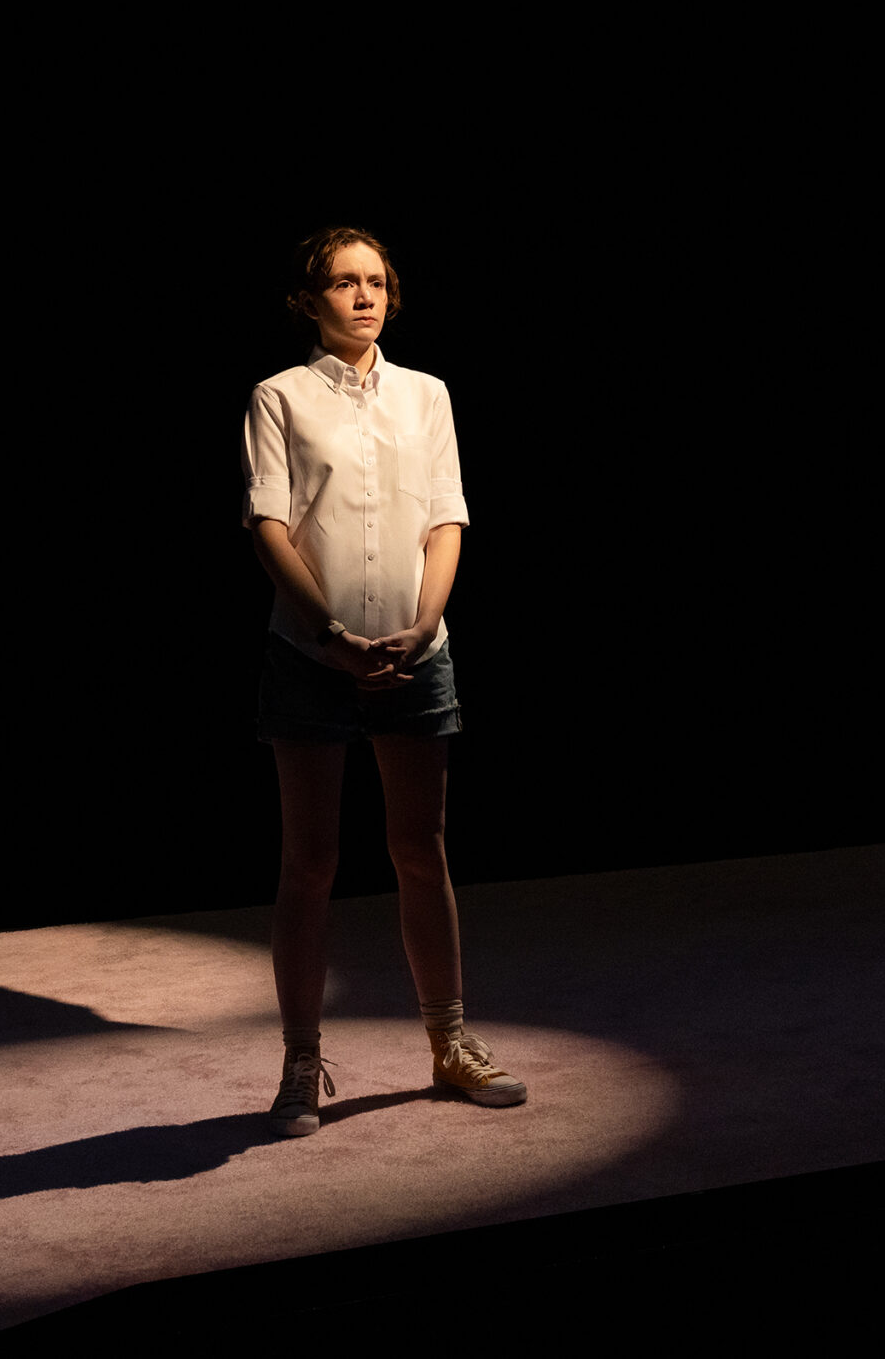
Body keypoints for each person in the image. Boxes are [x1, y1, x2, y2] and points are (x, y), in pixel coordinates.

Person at [241, 227, 527, 1138]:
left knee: (420, 850)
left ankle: (449, 1042)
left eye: (375, 281)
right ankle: (300, 1061)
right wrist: (330, 635)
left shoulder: (426, 393)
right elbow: (270, 525)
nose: (364, 296)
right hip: (308, 657)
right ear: (309, 299)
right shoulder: (279, 397)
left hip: (416, 651)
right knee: (310, 862)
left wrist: (422, 625)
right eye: (343, 282)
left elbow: (446, 519)